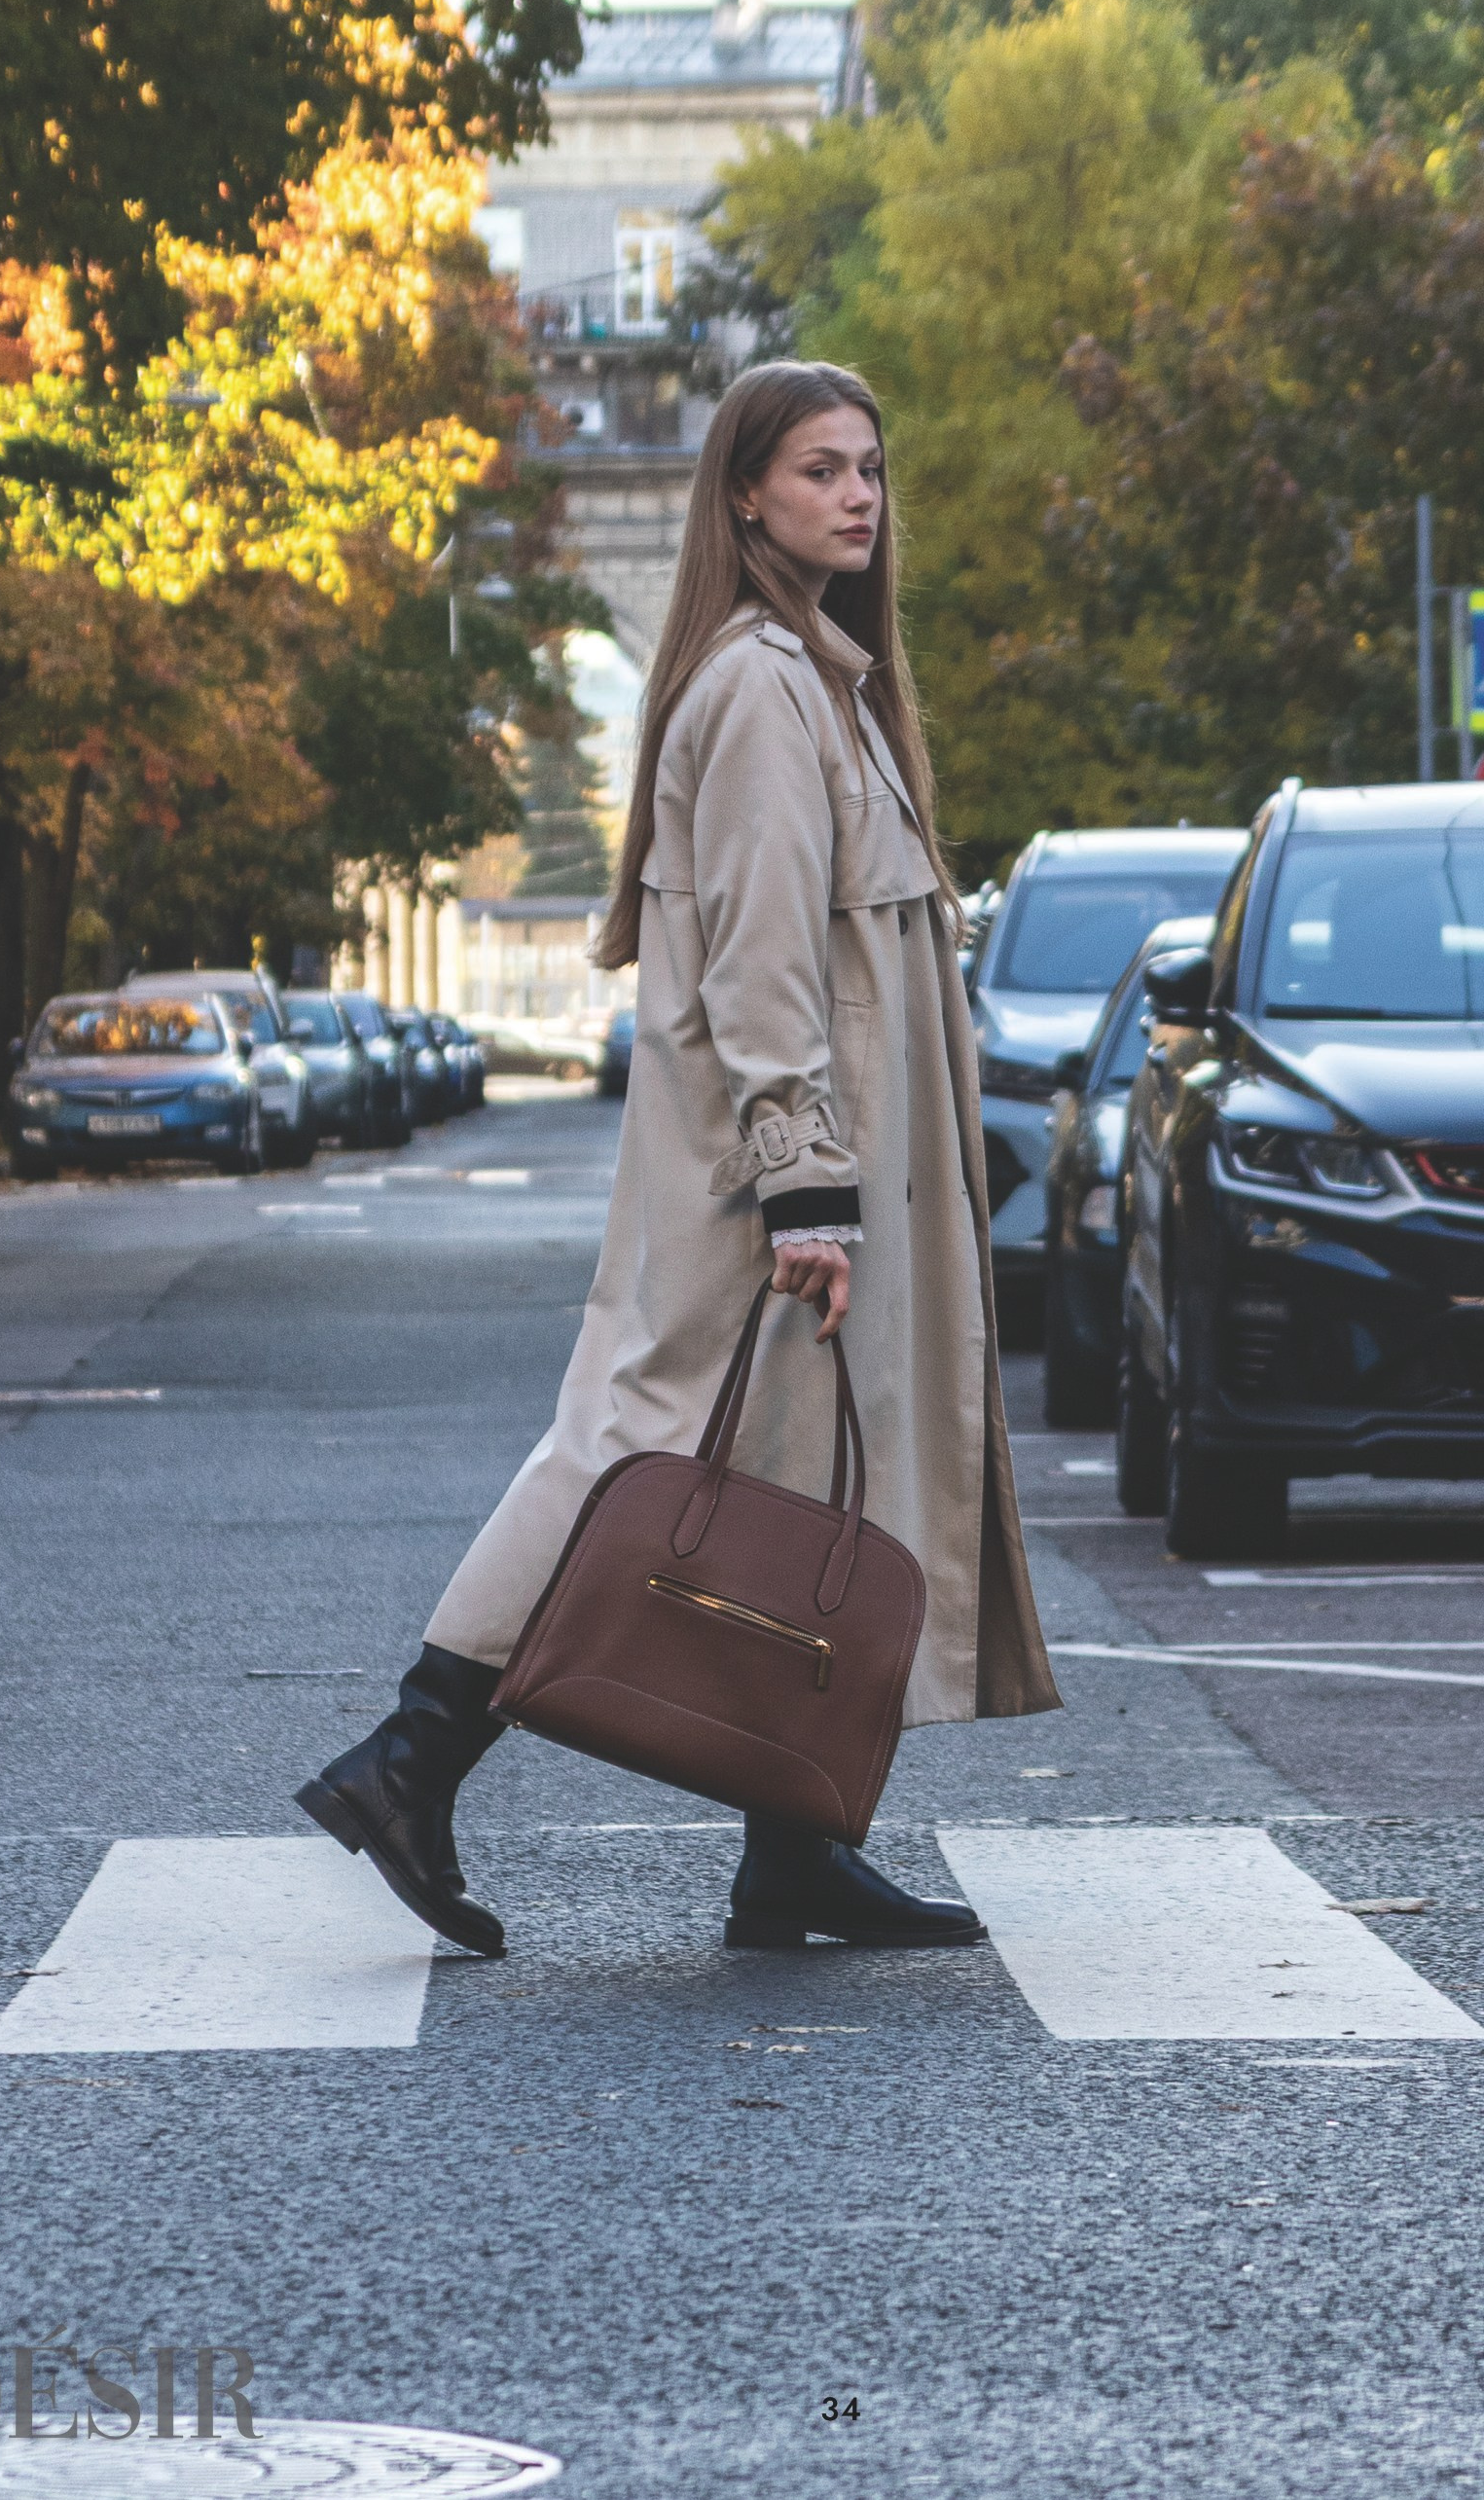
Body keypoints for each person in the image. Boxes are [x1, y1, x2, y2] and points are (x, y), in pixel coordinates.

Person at [296, 360, 1061, 1953]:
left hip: (797, 1172)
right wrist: (807, 1181)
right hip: (767, 1185)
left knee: (775, 1490)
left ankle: (789, 1849)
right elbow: (762, 964)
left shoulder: (816, 680)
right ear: (743, 498)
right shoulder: (765, 690)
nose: (857, 496)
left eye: (869, 468)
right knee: (634, 1463)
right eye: (819, 471)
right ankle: (410, 1756)